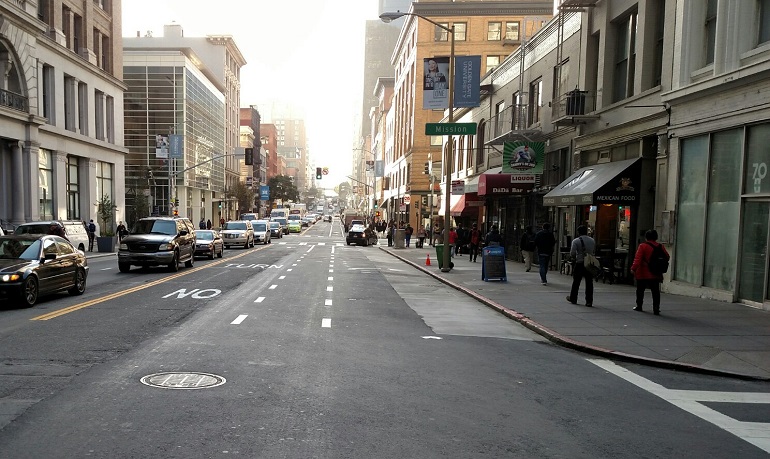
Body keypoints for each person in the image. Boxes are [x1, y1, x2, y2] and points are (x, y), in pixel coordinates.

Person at [631, 229, 670, 315]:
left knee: (640, 290)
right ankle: (656, 308)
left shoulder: (643, 246)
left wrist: (633, 268)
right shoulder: (660, 246)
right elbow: (667, 256)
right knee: (655, 291)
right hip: (655, 273)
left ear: (646, 237)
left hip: (643, 272)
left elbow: (638, 259)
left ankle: (639, 305)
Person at [567, 225, 595, 307]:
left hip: (580, 262)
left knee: (576, 282)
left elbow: (572, 253)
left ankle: (573, 298)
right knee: (589, 282)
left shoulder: (576, 241)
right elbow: (593, 251)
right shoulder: (592, 240)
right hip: (589, 263)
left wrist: (574, 258)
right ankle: (589, 301)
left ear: (578, 232)